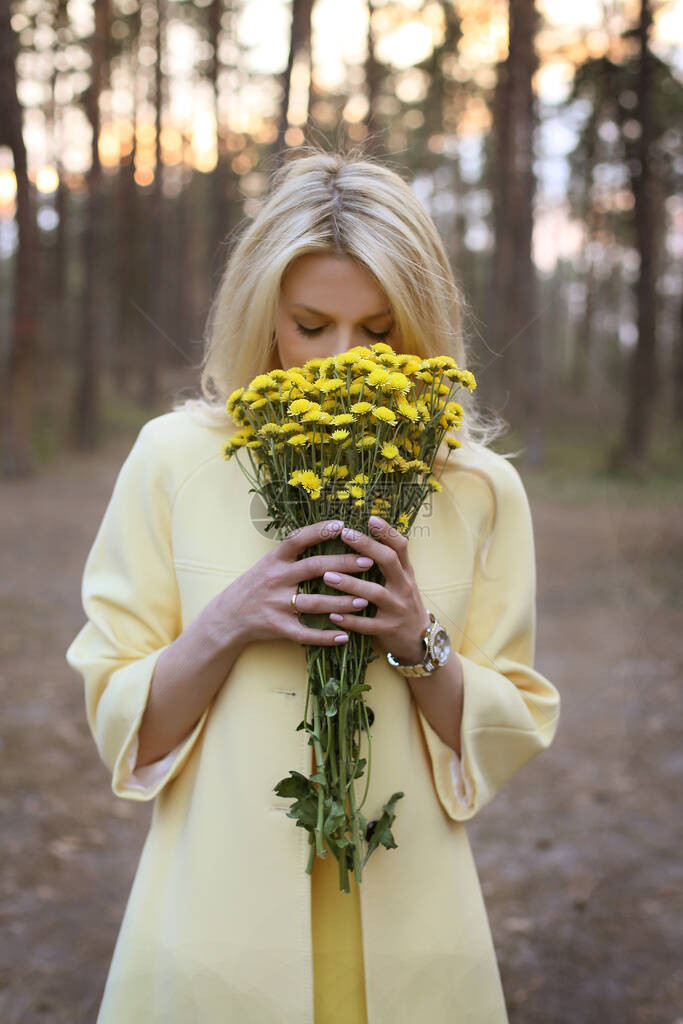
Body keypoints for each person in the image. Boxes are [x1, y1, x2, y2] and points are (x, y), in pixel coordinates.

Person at [65, 147, 561, 1024]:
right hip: (217, 929)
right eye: (310, 324)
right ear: (264, 318)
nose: (341, 359)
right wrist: (228, 622)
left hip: (413, 924)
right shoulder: (174, 460)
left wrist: (418, 640)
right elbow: (123, 722)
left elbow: (504, 724)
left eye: (378, 329)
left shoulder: (478, 488)